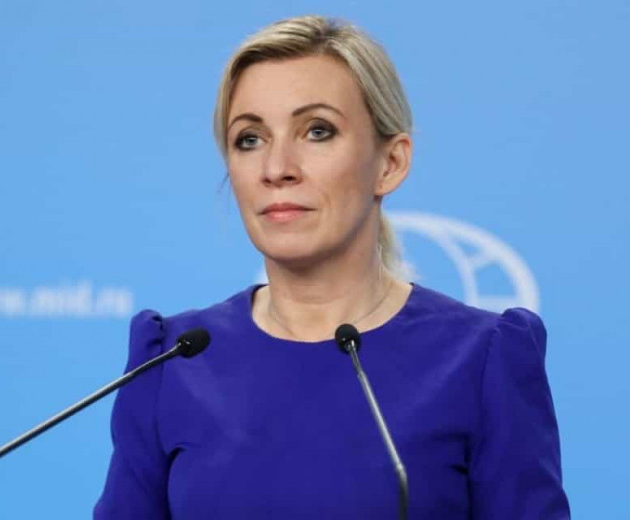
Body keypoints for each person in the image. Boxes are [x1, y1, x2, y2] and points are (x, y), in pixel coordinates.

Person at [93, 15, 570, 519]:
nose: (277, 168)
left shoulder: (482, 358)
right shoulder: (171, 361)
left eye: (317, 131)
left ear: (390, 163)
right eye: (249, 138)